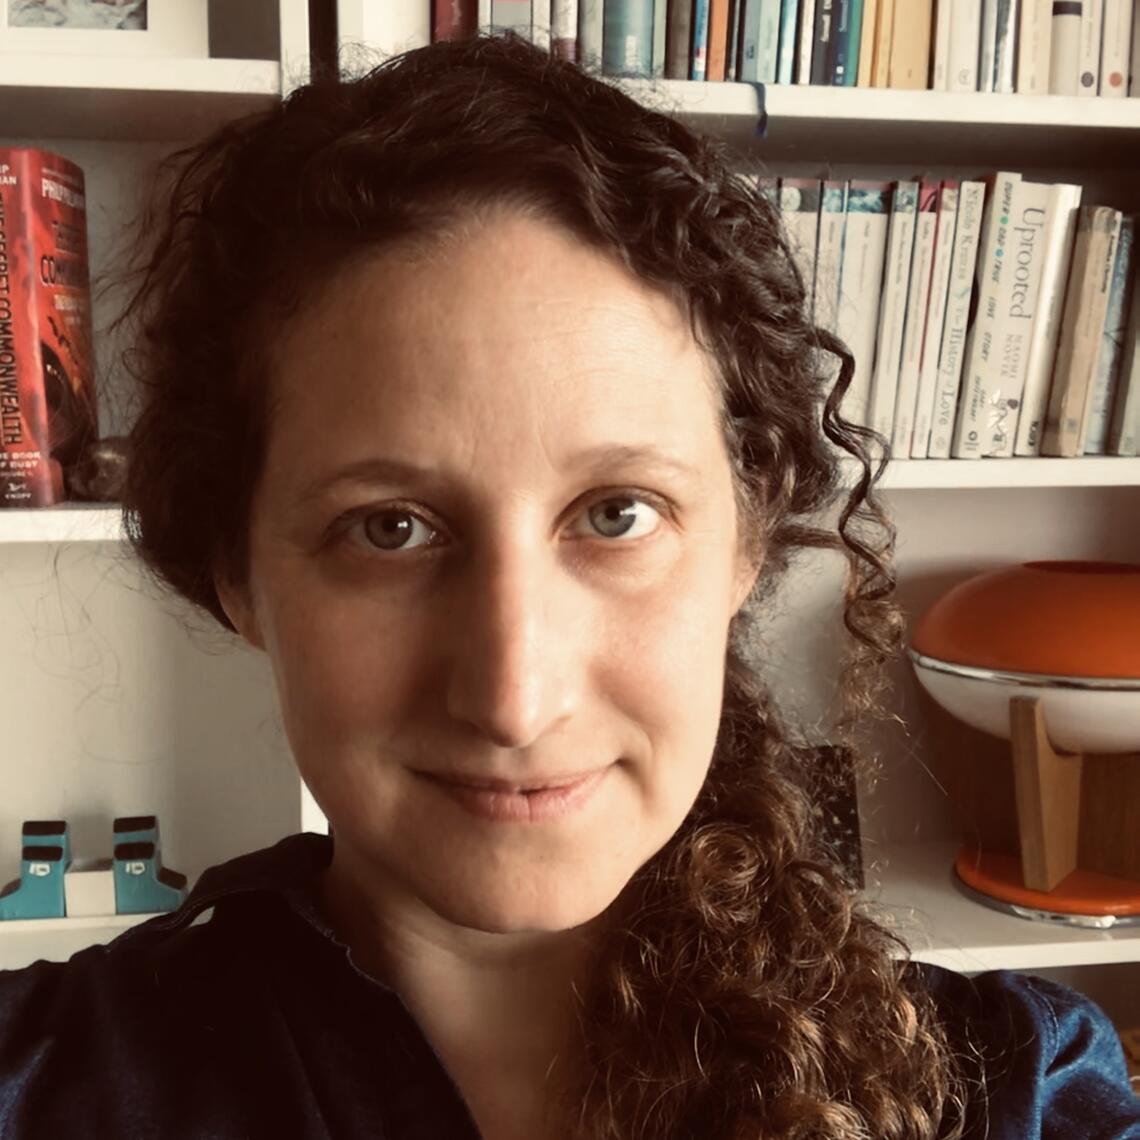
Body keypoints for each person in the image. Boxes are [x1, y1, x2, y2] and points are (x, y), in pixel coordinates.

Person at [0, 31, 1136, 1140]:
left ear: (747, 543)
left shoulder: (1007, 1091)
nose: (514, 694)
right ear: (236, 574)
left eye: (616, 514)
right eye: (390, 528)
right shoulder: (41, 1084)